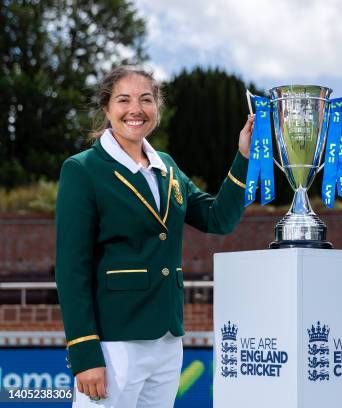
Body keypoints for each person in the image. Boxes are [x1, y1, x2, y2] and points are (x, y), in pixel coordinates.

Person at [55, 65, 254, 407]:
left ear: (157, 108)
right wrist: (85, 352)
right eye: (124, 100)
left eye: (146, 99)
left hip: (166, 340)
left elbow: (217, 218)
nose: (136, 109)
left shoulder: (166, 165)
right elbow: (71, 269)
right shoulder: (82, 169)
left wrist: (244, 157)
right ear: (107, 109)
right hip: (115, 341)